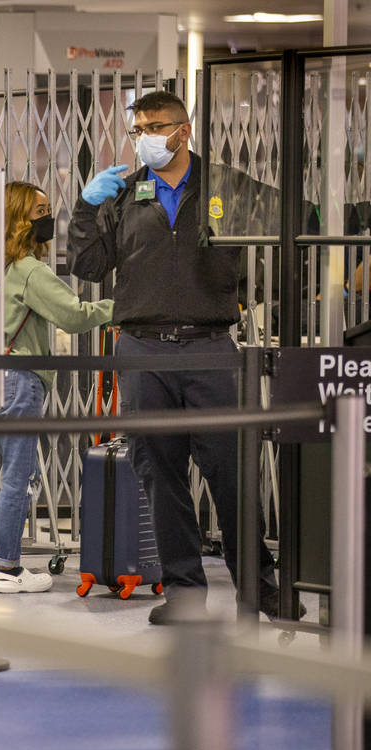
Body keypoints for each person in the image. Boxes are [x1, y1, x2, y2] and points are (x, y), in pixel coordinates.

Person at [66, 91, 288, 625]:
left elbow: (288, 224)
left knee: (232, 477)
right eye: (137, 127)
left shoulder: (226, 186)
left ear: (183, 132)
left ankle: (257, 591)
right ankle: (185, 596)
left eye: (154, 126)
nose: (144, 137)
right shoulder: (124, 195)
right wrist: (86, 205)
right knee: (160, 477)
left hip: (211, 347)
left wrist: (249, 292)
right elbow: (89, 265)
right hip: (142, 350)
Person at [0, 182, 113, 594]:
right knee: (20, 476)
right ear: (20, 219)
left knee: (14, 473)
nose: (48, 219)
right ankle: (9, 567)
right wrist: (122, 308)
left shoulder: (0, 268)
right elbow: (73, 314)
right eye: (40, 211)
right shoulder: (31, 270)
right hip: (21, 379)